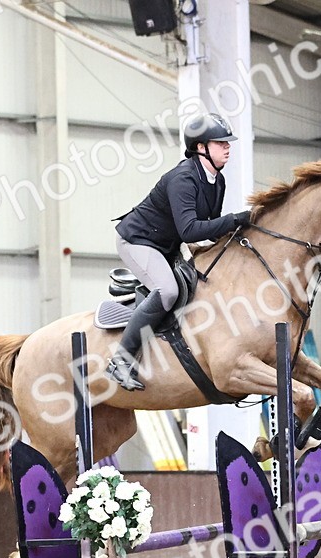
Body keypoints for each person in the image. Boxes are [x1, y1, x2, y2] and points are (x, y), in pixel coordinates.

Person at [108, 112, 251, 391]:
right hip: (138, 241)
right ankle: (120, 361)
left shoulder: (217, 181)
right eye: (220, 142)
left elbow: (209, 227)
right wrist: (235, 219)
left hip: (167, 246)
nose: (227, 147)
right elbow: (191, 230)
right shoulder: (183, 178)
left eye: (227, 143)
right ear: (201, 147)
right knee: (168, 291)